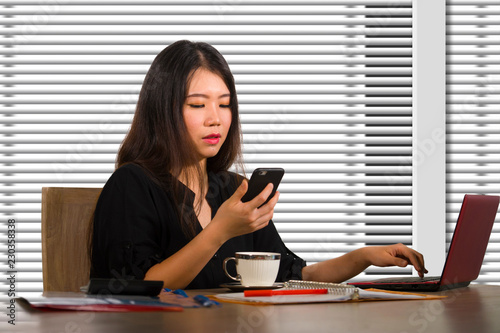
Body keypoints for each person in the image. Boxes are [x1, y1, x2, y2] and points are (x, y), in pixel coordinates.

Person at [90, 40, 427, 290]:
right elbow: (137, 291)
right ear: (162, 110)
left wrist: (363, 257)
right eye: (197, 105)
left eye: (224, 105)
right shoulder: (132, 185)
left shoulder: (231, 190)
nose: (215, 119)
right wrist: (220, 230)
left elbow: (293, 276)